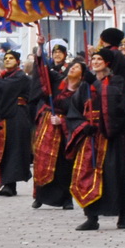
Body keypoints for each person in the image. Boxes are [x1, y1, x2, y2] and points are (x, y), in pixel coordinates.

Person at [71, 47, 125, 230]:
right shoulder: (86, 84)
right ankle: (91, 217)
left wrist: (96, 84)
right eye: (93, 59)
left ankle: (122, 212)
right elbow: (75, 107)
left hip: (111, 136)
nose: (95, 62)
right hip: (91, 135)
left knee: (114, 175)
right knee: (87, 175)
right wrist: (83, 126)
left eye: (99, 59)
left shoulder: (117, 81)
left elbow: (115, 101)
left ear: (107, 62)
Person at [32, 57, 82, 210]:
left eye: (77, 67)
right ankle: (39, 196)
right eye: (72, 66)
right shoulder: (57, 80)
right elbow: (43, 72)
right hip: (48, 126)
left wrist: (63, 121)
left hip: (66, 130)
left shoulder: (81, 92)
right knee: (42, 160)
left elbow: (80, 113)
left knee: (64, 164)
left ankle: (66, 198)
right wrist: (40, 52)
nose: (72, 68)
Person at [0, 49, 34, 195]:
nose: (7, 60)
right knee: (6, 149)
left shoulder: (20, 77)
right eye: (6, 58)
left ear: (17, 61)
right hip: (8, 115)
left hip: (18, 116)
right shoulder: (5, 76)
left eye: (11, 58)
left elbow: (6, 87)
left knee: (14, 149)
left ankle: (10, 185)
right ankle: (7, 183)